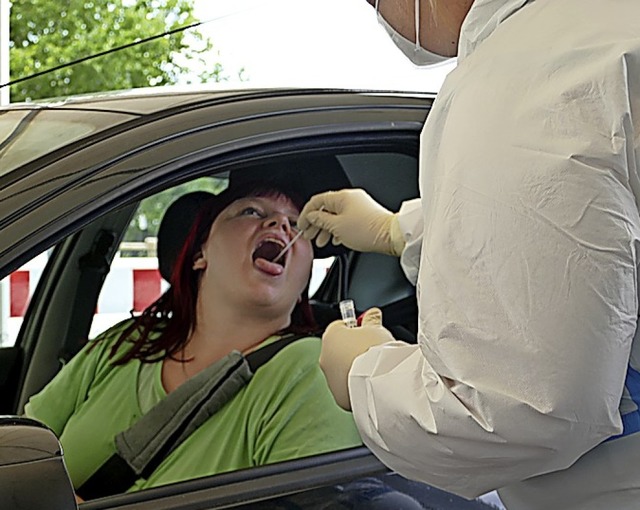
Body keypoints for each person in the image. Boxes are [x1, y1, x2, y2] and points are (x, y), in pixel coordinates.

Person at [298, 0, 640, 508]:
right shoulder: (604, 28)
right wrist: (397, 231)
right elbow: (565, 229)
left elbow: (514, 412)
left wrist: (365, 375)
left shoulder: (524, 75)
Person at [24, 180, 362, 497]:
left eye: (296, 223)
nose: (280, 226)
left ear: (305, 275)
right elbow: (19, 455)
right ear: (201, 253)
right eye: (252, 212)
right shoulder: (124, 343)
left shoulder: (313, 371)